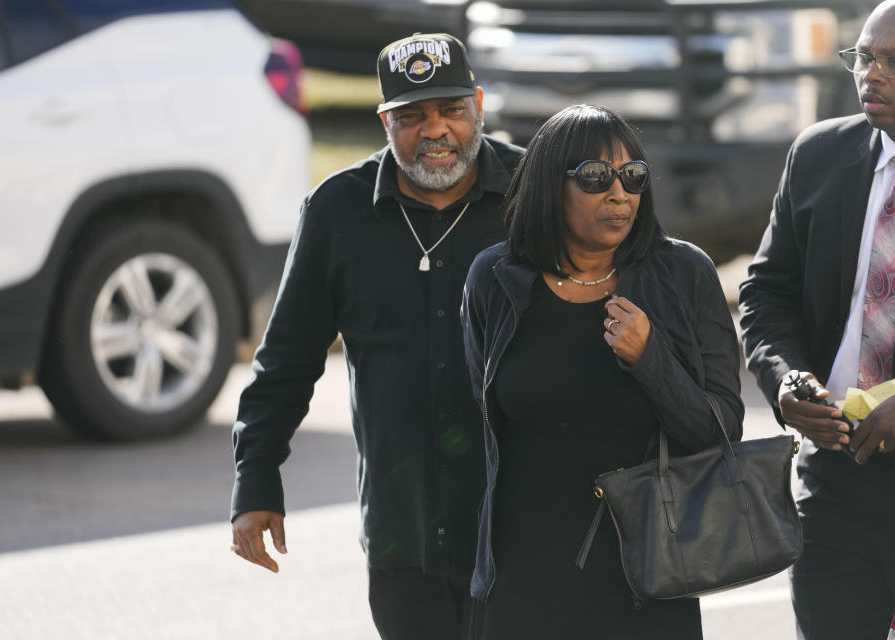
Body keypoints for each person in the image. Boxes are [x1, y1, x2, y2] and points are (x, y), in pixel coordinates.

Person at [228, 32, 523, 640]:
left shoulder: (533, 194)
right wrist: (256, 478)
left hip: (526, 526)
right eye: (413, 116)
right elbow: (286, 360)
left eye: (452, 111)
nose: (436, 131)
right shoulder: (337, 212)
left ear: (479, 105)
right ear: (385, 120)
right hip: (403, 528)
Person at [460, 105, 744, 639]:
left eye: (633, 176)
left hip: (648, 570)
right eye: (595, 177)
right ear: (550, 186)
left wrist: (651, 359)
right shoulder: (495, 279)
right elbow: (483, 423)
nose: (619, 194)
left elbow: (722, 430)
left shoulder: (683, 274)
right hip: (525, 570)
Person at [738, 0, 895, 637]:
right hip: (836, 479)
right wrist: (788, 381)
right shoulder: (820, 154)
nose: (870, 75)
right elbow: (767, 294)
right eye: (862, 56)